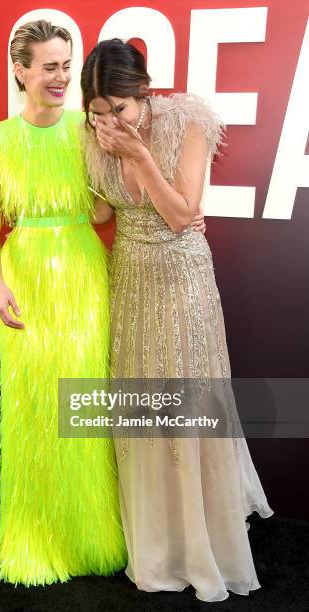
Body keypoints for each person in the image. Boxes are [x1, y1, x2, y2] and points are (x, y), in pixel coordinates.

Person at [81, 38, 274, 603]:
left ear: (142, 91)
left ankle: (203, 542)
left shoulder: (186, 121)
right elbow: (99, 211)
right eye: (97, 112)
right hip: (132, 284)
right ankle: (158, 544)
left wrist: (137, 155)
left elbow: (182, 215)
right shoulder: (92, 136)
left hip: (184, 281)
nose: (109, 121)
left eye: (119, 108)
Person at [0, 20, 129, 587]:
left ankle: (92, 538)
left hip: (81, 275)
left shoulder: (87, 128)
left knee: (82, 405)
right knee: (31, 411)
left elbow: (104, 212)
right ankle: (36, 541)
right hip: (25, 276)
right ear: (20, 70)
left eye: (65, 64)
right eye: (48, 66)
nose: (61, 76)